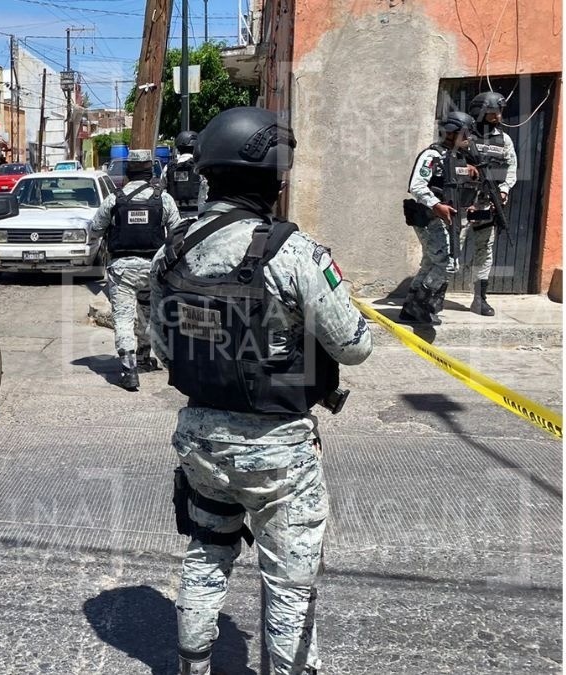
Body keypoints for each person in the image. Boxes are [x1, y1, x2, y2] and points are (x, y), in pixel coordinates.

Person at [148, 106, 373, 675]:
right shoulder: (294, 253)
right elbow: (354, 346)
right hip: (279, 450)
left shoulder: (171, 250)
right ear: (272, 178)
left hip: (202, 440)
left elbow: (161, 344)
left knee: (205, 556)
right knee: (290, 587)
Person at [91, 148, 183, 391]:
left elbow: (94, 228)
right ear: (150, 170)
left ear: (128, 171)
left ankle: (129, 369)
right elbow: (177, 231)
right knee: (148, 313)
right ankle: (145, 356)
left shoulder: (115, 199)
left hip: (122, 270)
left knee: (123, 317)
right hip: (153, 268)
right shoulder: (163, 199)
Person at [399, 111, 478, 325]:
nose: (469, 138)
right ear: (452, 133)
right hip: (429, 217)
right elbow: (416, 185)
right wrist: (436, 205)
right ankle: (422, 305)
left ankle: (409, 308)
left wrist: (468, 173)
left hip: (448, 219)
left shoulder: (458, 157)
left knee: (430, 262)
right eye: (465, 134)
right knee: (446, 263)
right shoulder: (433, 155)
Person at [463, 91, 518, 316]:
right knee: (450, 249)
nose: (498, 116)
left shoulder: (504, 139)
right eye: (494, 112)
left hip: (488, 204)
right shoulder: (462, 135)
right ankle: (435, 296)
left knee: (484, 250)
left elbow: (512, 166)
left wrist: (504, 190)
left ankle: (479, 298)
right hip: (463, 205)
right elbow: (446, 161)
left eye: (499, 112)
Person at [168, 130, 204, 213]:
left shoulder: (169, 167)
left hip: (175, 215)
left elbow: (162, 188)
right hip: (196, 215)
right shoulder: (200, 167)